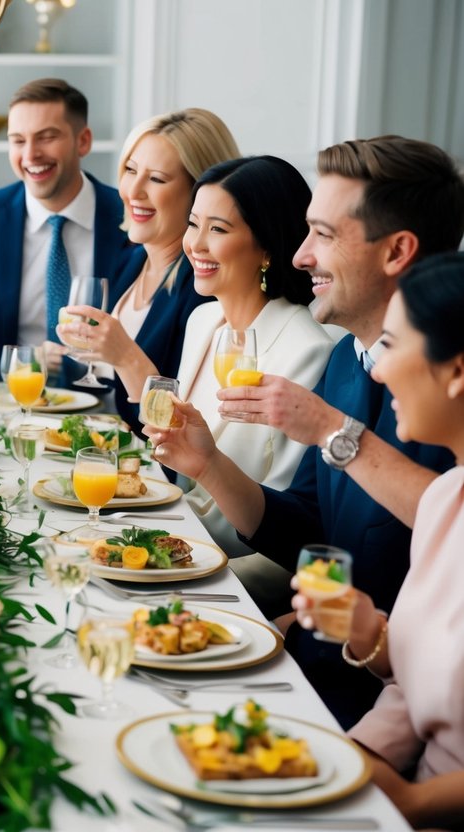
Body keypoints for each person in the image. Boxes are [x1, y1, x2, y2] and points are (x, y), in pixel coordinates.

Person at [145, 136, 464, 728]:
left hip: (382, 701)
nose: (299, 256)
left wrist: (331, 430)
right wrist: (208, 463)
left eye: (324, 234)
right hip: (314, 660)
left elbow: (448, 526)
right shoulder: (348, 361)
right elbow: (309, 535)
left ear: (397, 251)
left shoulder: (449, 396)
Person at [289, 253, 464, 829]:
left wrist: (413, 804)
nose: (378, 369)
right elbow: (420, 694)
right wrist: (367, 630)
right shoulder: (444, 500)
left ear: (456, 371)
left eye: (392, 345)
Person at [147, 156, 333, 554]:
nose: (195, 244)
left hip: (232, 571)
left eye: (217, 229)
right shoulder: (202, 321)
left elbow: (289, 518)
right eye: (193, 223)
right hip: (171, 539)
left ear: (266, 246)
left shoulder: (308, 351)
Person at [0, 77, 129, 384]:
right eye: (18, 140)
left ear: (82, 141)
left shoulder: (127, 216)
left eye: (46, 137)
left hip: (105, 409)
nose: (30, 155)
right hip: (5, 406)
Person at [56, 108, 239, 432]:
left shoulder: (204, 289)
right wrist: (64, 357)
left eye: (156, 179)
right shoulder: (130, 260)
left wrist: (126, 357)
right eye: (129, 170)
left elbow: (185, 424)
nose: (133, 191)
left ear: (201, 193)